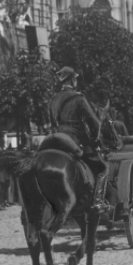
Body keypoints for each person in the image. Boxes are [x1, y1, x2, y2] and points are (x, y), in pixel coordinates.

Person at [48, 66, 110, 213]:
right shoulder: (78, 98)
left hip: (55, 139)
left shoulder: (53, 99)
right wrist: (94, 139)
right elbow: (95, 123)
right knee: (102, 168)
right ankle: (98, 201)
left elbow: (51, 121)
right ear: (73, 80)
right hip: (74, 140)